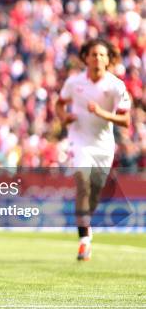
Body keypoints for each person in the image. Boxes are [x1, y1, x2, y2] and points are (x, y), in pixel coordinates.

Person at [56, 38, 131, 261]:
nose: (97, 58)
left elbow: (126, 120)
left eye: (101, 55)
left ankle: (86, 226)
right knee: (82, 183)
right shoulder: (74, 82)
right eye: (93, 54)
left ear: (108, 59)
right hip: (79, 140)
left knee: (95, 193)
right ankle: (84, 241)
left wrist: (102, 113)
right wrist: (64, 117)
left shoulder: (115, 86)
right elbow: (59, 103)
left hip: (103, 144)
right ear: (85, 58)